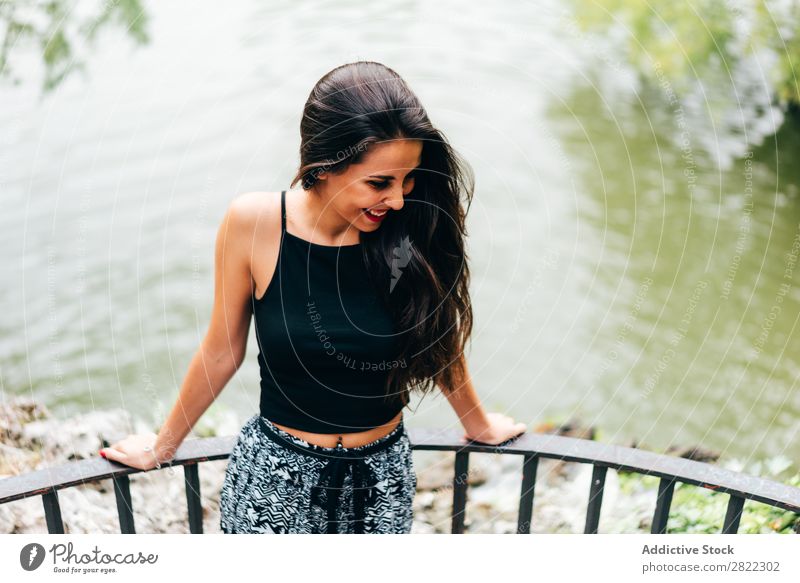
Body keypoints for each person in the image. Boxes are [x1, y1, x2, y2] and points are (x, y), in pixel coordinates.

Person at [98, 61, 528, 534]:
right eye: (380, 183)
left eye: (407, 179)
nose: (400, 199)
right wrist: (163, 446)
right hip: (275, 483)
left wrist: (479, 424)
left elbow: (437, 338)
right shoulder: (254, 224)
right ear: (323, 166)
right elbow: (222, 349)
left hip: (380, 484)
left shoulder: (406, 230)